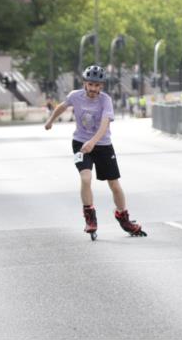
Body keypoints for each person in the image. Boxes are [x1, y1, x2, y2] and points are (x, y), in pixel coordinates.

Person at [44, 65, 146, 240]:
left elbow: (105, 123)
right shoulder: (75, 96)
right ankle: (90, 217)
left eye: (97, 86)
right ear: (85, 83)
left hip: (103, 145)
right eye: (91, 84)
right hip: (80, 144)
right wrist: (50, 120)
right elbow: (62, 106)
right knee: (85, 178)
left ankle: (123, 217)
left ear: (102, 86)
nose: (93, 89)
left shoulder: (105, 100)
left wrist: (93, 142)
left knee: (114, 184)